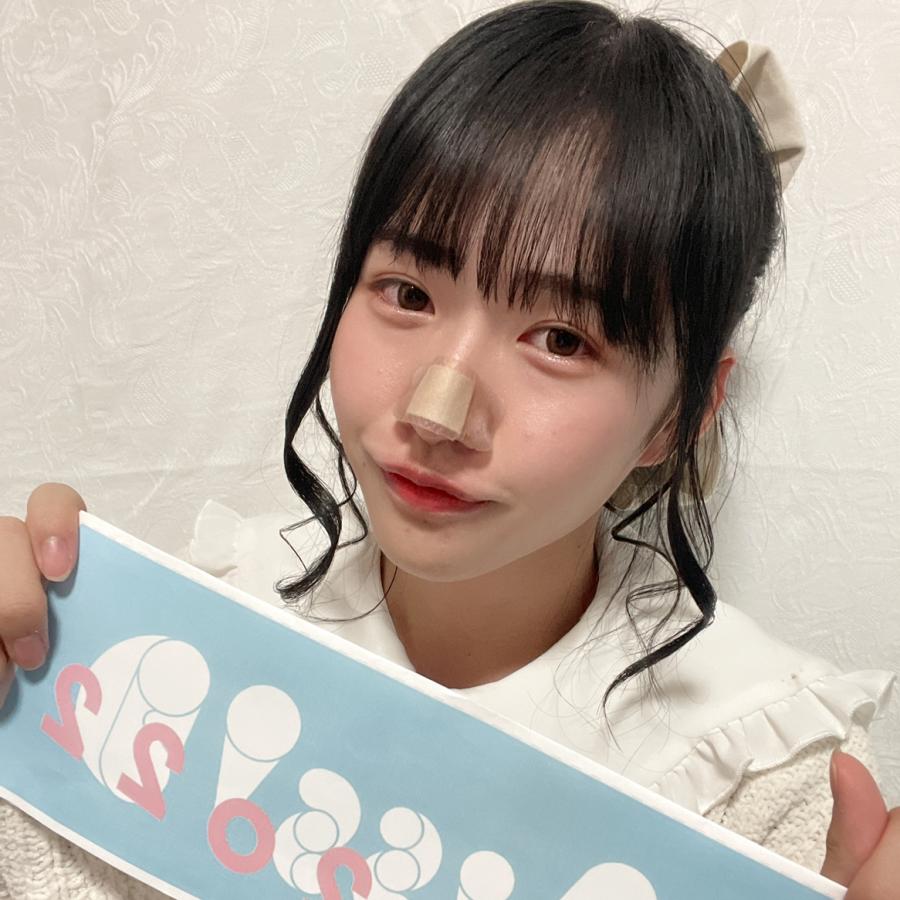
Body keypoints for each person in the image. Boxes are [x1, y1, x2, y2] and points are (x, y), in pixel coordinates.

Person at [0, 1, 897, 897]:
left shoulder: (765, 773)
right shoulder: (176, 642)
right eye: (407, 294)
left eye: (562, 340)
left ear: (682, 415)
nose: (438, 412)